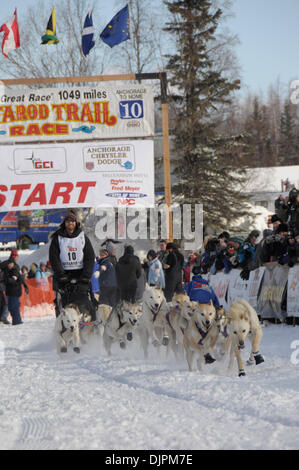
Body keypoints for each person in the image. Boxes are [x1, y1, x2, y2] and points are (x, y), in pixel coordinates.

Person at [49, 209, 96, 318]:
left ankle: (90, 322)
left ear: (76, 223)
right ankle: (64, 324)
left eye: (72, 221)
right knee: (65, 302)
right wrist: (61, 275)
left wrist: (86, 275)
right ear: (64, 223)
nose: (70, 223)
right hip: (64, 275)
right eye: (68, 221)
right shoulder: (58, 238)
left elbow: (89, 257)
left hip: (80, 274)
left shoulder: (82, 237)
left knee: (85, 300)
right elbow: (54, 258)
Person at [3, 259, 29, 325]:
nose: (9, 265)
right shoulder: (8, 271)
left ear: (13, 264)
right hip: (10, 291)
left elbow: (14, 279)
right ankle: (16, 320)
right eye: (8, 264)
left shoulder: (15, 270)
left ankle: (17, 321)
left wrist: (7, 280)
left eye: (10, 264)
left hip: (15, 291)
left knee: (14, 306)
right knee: (10, 307)